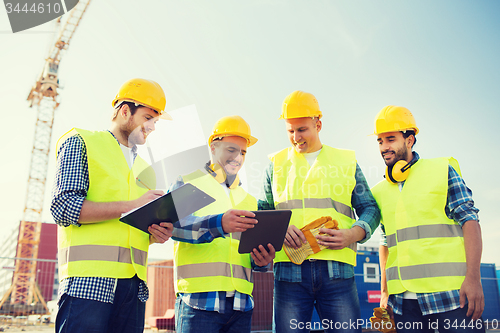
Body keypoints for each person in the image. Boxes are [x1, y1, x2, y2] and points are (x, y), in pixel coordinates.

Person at [51, 78, 175, 333]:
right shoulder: (82, 142)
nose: (152, 126)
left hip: (133, 288)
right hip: (88, 282)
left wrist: (155, 234)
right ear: (125, 111)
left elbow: (130, 228)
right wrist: (131, 205)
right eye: (148, 117)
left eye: (155, 121)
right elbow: (63, 207)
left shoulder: (146, 171)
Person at [258, 90, 380, 333]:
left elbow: (370, 208)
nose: (295, 137)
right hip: (289, 273)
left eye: (302, 129)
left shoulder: (345, 161)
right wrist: (278, 230)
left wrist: (352, 235)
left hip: (337, 270)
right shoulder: (275, 164)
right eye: (290, 131)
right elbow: (262, 214)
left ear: (318, 124)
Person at [370, 105, 485, 333]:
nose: (385, 147)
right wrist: (385, 292)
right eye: (380, 141)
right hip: (403, 303)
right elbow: (385, 242)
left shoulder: (441, 170)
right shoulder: (379, 191)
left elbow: (470, 221)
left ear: (410, 140)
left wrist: (473, 278)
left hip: (453, 297)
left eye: (391, 139)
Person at [171, 115, 276, 333]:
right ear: (213, 148)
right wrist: (219, 223)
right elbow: (173, 226)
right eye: (231, 150)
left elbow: (249, 254)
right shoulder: (191, 183)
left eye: (243, 152)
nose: (238, 157)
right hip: (199, 302)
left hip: (241, 306)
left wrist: (262, 260)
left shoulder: (249, 200)